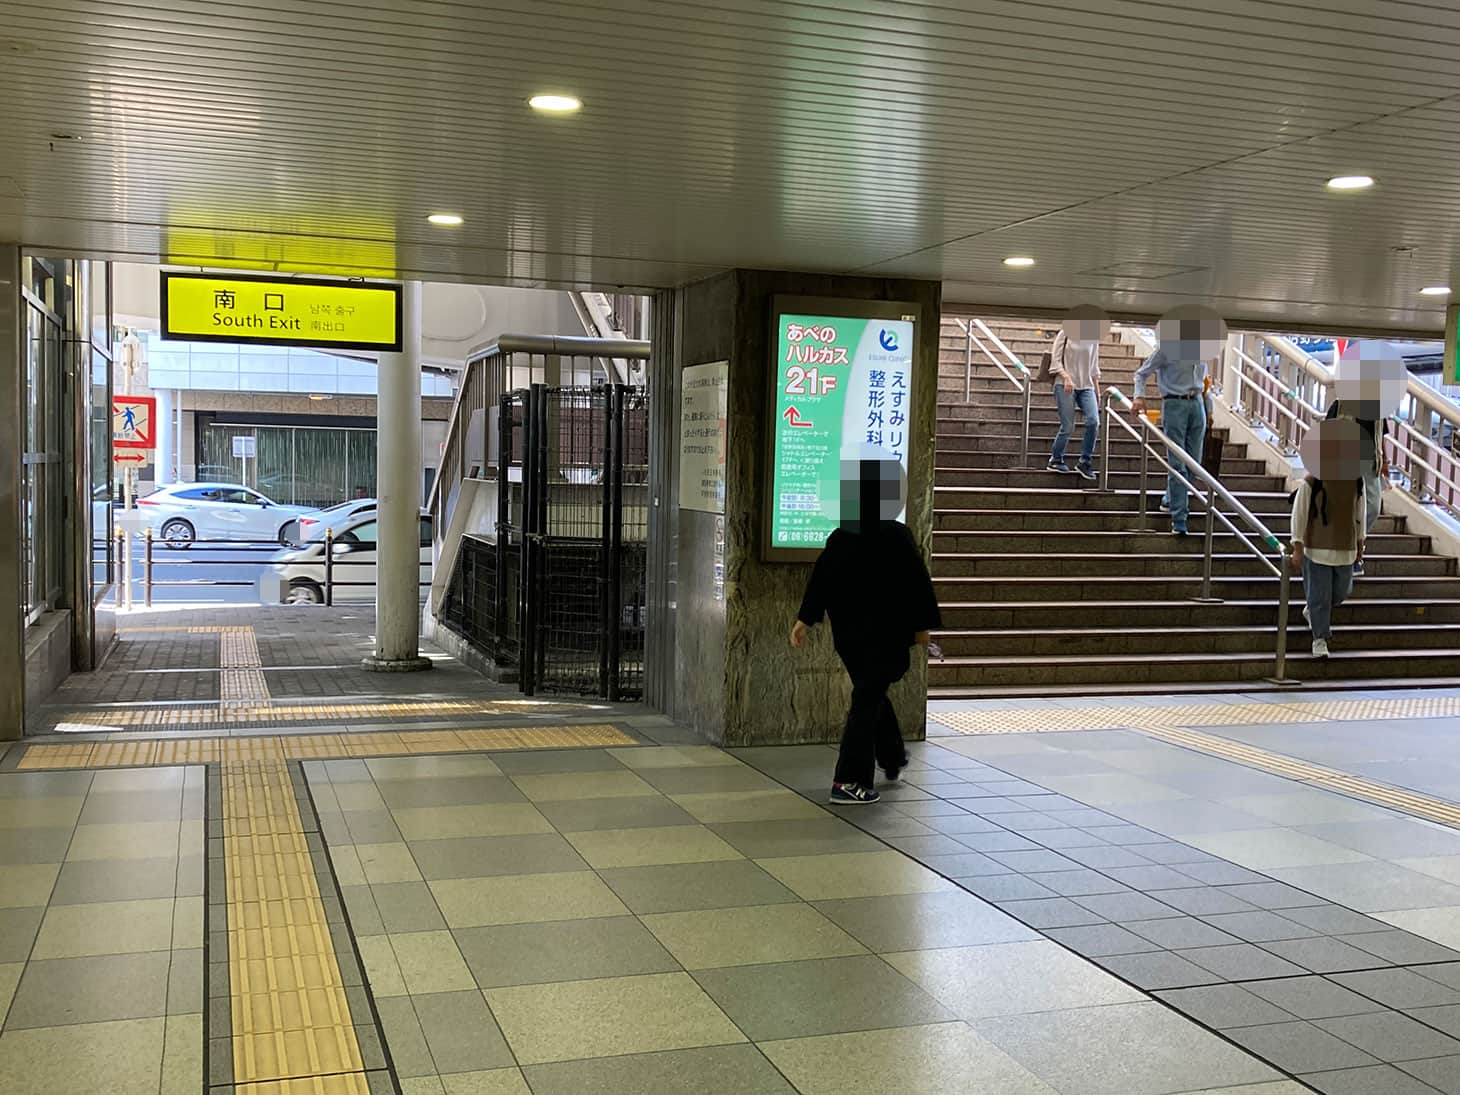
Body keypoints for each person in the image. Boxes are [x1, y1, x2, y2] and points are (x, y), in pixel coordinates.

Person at [791, 453, 941, 806]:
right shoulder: (897, 536)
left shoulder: (842, 535)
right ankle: (848, 781)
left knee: (869, 691)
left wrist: (805, 619)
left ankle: (891, 757)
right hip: (885, 637)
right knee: (867, 699)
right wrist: (922, 629)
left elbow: (821, 580)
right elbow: (917, 586)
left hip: (850, 637)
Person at [1290, 417, 1367, 658]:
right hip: (1317, 547)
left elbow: (1360, 512)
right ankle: (1320, 639)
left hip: (1345, 546)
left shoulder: (1356, 479)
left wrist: (1361, 541)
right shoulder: (1314, 480)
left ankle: (1313, 610)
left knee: (1340, 592)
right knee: (1320, 596)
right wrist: (1297, 545)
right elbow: (1300, 512)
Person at [1132, 343, 1209, 537]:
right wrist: (1139, 397)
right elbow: (1141, 373)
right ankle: (1179, 519)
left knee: (1194, 465)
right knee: (1178, 464)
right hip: (1174, 403)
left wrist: (1209, 408)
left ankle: (1169, 499)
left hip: (1197, 403)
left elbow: (1204, 380)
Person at [1323, 401, 1387, 575]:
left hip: (1371, 462)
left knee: (1373, 507)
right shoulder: (1340, 404)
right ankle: (1351, 554)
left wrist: (1385, 460)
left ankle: (1351, 545)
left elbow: (1381, 435)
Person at [1046, 327, 1101, 480]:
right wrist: (1066, 377)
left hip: (1087, 386)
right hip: (1064, 384)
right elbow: (1055, 362)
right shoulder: (1066, 333)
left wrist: (1097, 390)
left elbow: (1094, 366)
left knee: (1093, 421)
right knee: (1068, 426)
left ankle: (1085, 461)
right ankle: (1056, 459)